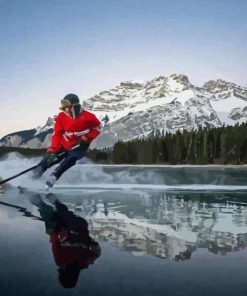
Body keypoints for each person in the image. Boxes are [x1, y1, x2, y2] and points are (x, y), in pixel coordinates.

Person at [34, 93, 101, 187]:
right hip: (64, 144)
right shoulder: (61, 116)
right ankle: (32, 178)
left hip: (80, 146)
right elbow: (57, 134)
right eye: (64, 108)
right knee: (48, 159)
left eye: (67, 108)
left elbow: (98, 128)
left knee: (71, 158)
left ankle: (54, 176)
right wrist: (53, 149)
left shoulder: (89, 117)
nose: (66, 111)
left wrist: (88, 137)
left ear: (75, 107)